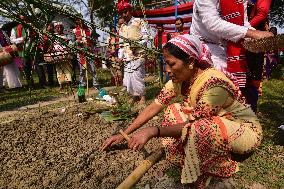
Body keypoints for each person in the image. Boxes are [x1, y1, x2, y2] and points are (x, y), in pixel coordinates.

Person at [102, 34, 263, 188]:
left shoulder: (214, 83)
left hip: (245, 132)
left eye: (171, 64)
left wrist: (153, 131)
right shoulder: (181, 79)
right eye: (166, 63)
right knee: (173, 110)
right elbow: (154, 106)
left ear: (191, 62)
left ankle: (214, 168)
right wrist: (124, 132)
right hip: (217, 125)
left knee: (201, 128)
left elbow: (194, 123)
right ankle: (191, 152)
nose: (167, 70)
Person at [189, 0, 273, 95]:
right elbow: (212, 23)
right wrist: (252, 33)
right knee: (210, 96)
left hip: (227, 50)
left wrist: (258, 38)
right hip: (204, 49)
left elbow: (243, 24)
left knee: (228, 97)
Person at [117, 0, 149, 104]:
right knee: (128, 77)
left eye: (125, 12)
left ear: (130, 11)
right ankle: (135, 96)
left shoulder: (139, 21)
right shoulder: (122, 27)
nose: (124, 15)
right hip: (127, 56)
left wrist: (137, 45)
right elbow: (121, 44)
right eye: (121, 13)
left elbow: (146, 36)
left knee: (137, 76)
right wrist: (120, 56)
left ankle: (142, 96)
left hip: (138, 54)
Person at [245, 0, 273, 112]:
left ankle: (251, 111)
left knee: (253, 77)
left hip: (254, 41)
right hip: (243, 39)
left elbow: (262, 14)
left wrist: (242, 29)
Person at [73, 18, 99, 90]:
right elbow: (72, 42)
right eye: (78, 20)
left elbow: (95, 41)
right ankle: (82, 84)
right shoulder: (75, 30)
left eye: (81, 20)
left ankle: (95, 84)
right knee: (82, 69)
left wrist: (92, 47)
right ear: (76, 21)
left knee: (92, 68)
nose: (79, 21)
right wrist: (77, 42)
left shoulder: (89, 29)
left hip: (89, 51)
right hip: (80, 52)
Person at [10, 14, 34, 88]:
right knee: (25, 67)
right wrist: (21, 39)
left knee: (34, 67)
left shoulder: (30, 27)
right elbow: (12, 40)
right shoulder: (14, 29)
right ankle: (30, 84)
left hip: (32, 49)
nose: (23, 21)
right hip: (22, 51)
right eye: (21, 19)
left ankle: (42, 83)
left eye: (24, 19)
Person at [53, 22, 72, 92]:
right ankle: (61, 84)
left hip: (65, 54)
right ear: (55, 29)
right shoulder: (53, 36)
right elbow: (52, 45)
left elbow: (70, 44)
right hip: (57, 55)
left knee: (67, 68)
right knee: (59, 70)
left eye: (60, 27)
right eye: (57, 27)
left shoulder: (66, 35)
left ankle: (68, 84)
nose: (59, 29)